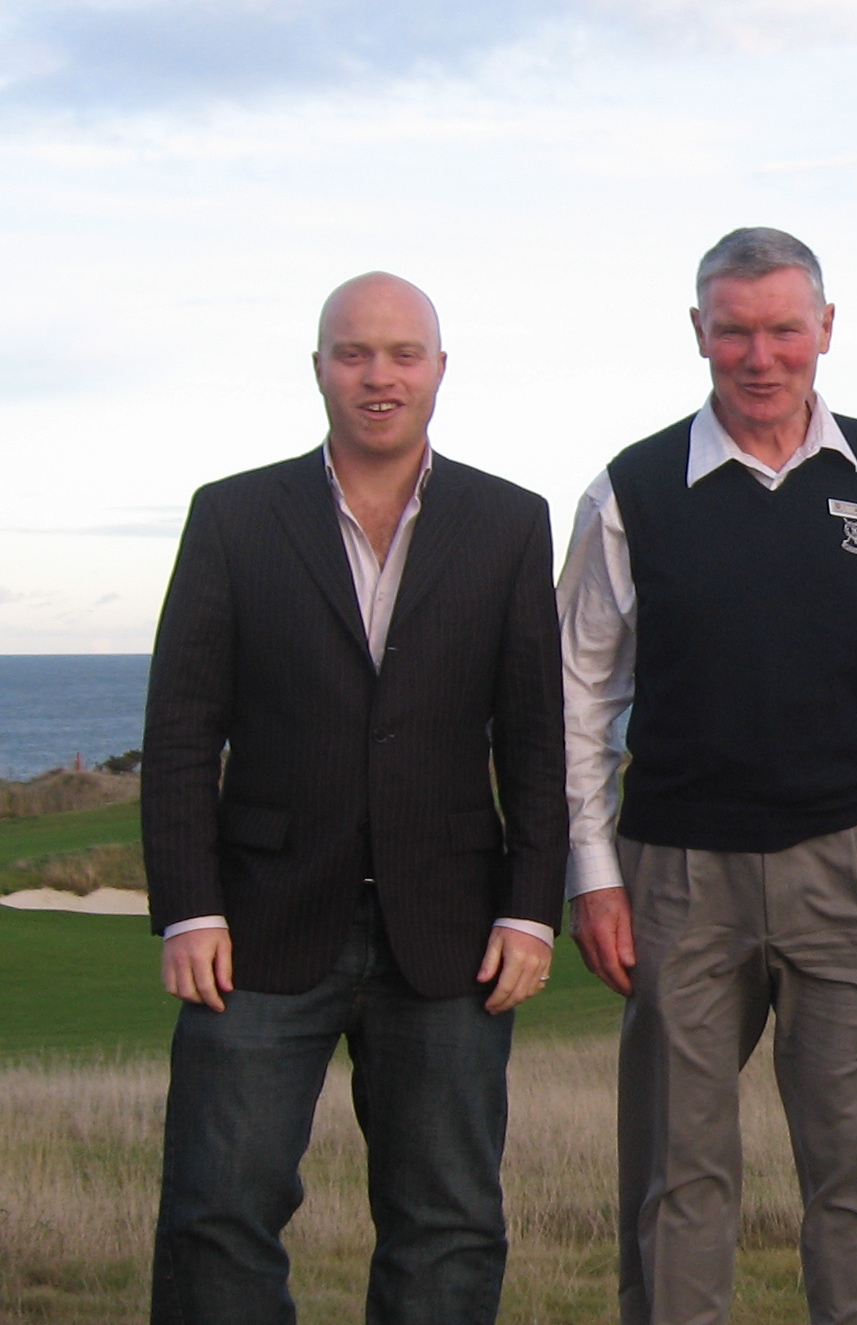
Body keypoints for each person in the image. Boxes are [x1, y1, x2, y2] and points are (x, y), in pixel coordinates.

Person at [557, 227, 857, 1325]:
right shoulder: (628, 490)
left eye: (784, 328)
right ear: (698, 333)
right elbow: (579, 694)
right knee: (677, 1175)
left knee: (856, 1180)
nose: (759, 354)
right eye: (733, 330)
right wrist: (593, 873)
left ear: (824, 330)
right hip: (678, 875)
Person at [143, 272, 568, 1325]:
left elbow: (533, 734)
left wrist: (528, 906)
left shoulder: (510, 521)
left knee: (448, 1221)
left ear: (436, 369)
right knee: (217, 1211)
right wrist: (188, 905)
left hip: (452, 929)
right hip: (256, 923)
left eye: (402, 353)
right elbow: (184, 729)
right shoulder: (233, 516)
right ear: (320, 368)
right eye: (353, 352)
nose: (378, 375)